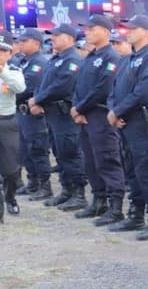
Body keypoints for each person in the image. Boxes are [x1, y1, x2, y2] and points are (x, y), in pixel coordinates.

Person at [106, 15, 148, 239]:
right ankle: (136, 213)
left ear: (146, 32)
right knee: (131, 169)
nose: (127, 32)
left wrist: (118, 111)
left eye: (133, 28)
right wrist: (114, 110)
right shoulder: (127, 59)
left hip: (144, 123)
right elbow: (114, 90)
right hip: (127, 122)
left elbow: (144, 92)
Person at [69, 14, 125, 222]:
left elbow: (103, 88)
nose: (87, 32)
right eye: (87, 29)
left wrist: (80, 107)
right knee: (91, 161)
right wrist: (77, 108)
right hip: (85, 116)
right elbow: (79, 85)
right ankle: (99, 201)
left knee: (107, 160)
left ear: (105, 31)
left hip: (101, 115)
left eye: (92, 29)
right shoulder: (91, 57)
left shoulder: (111, 57)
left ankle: (116, 206)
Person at [29, 24, 87, 211]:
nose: (52, 38)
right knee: (60, 154)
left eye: (56, 35)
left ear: (70, 38)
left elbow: (62, 85)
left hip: (65, 115)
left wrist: (38, 99)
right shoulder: (55, 60)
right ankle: (66, 189)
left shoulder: (72, 60)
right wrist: (37, 99)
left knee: (70, 153)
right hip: (53, 114)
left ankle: (78, 193)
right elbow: (43, 83)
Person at [14, 29, 51, 200]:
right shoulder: (23, 61)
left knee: (37, 149)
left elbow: (26, 86)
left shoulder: (39, 62)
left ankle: (45, 185)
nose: (20, 43)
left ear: (36, 43)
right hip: (21, 112)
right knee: (25, 150)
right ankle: (33, 181)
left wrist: (7, 90)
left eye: (24, 40)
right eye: (19, 40)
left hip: (33, 113)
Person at [0, 33, 26, 221]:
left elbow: (20, 88)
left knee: (11, 170)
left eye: (3, 50)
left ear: (10, 53)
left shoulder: (14, 70)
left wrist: (3, 72)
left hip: (7, 122)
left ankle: (10, 198)